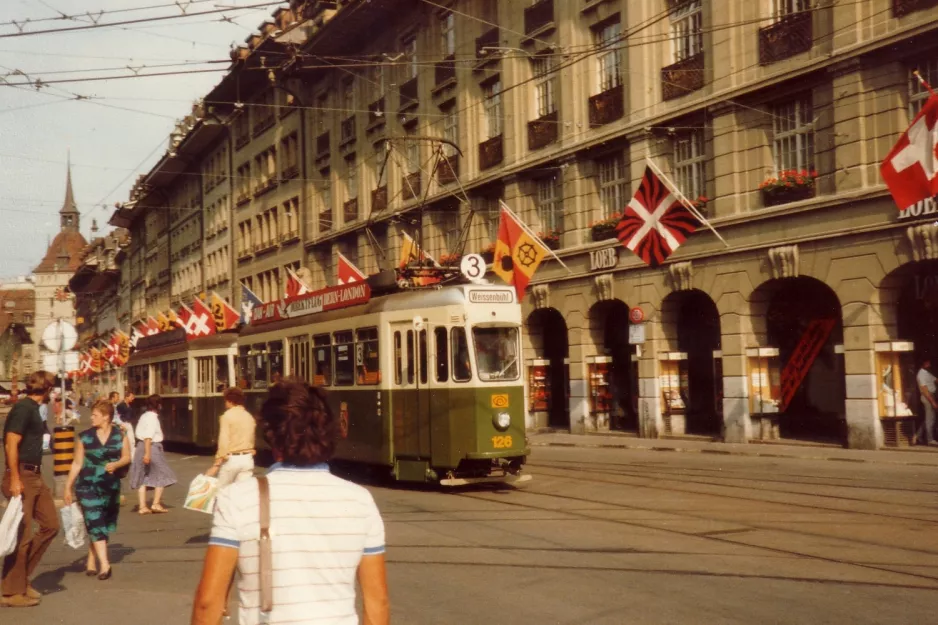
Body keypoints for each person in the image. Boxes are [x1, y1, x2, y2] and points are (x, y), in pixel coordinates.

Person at [191, 379, 389, 625]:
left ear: (272, 437)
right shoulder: (360, 500)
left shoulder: (237, 498)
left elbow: (208, 603)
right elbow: (376, 603)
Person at [1, 371, 60, 608]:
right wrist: (15, 478)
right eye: (52, 389)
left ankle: (20, 579)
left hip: (34, 474)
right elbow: (11, 442)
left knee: (51, 525)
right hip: (22, 475)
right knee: (23, 535)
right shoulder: (24, 408)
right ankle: (10, 591)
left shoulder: (34, 410)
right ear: (45, 390)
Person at [63, 400, 131, 580]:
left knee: (101, 524)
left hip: (110, 486)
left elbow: (127, 458)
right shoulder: (84, 437)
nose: (91, 418)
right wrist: (67, 487)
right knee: (95, 521)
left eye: (95, 415)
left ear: (106, 417)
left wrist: (116, 464)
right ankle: (105, 565)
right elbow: (77, 463)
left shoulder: (120, 435)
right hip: (87, 485)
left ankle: (91, 559)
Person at [130, 394, 177, 514]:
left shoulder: (144, 416)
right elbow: (148, 438)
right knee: (162, 473)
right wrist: (147, 454)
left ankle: (142, 506)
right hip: (151, 447)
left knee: (142, 475)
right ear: (159, 405)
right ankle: (155, 504)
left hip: (140, 446)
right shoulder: (153, 418)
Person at [205, 387, 256, 489]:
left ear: (230, 401)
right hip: (247, 459)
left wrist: (217, 464)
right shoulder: (249, 416)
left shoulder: (227, 416)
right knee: (242, 493)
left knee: (222, 492)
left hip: (232, 459)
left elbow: (224, 440)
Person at [916, 358, 938, 446]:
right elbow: (925, 391)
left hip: (931, 396)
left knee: (928, 418)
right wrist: (933, 402)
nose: (930, 364)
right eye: (928, 363)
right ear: (924, 363)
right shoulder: (921, 375)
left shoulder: (927, 373)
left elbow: (936, 380)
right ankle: (930, 440)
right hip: (928, 397)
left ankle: (918, 436)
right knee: (930, 419)